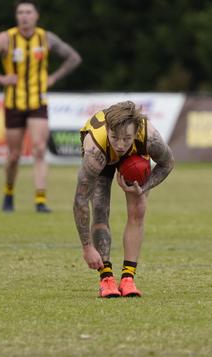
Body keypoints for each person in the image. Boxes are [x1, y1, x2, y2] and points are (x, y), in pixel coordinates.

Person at [0, 0, 81, 213]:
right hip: (14, 103)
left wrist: (54, 77)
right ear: (16, 16)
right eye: (20, 12)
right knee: (13, 155)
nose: (24, 16)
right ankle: (9, 193)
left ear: (36, 15)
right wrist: (0, 79)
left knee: (39, 148)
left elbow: (74, 58)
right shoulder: (6, 39)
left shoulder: (46, 38)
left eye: (28, 12)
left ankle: (40, 200)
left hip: (38, 102)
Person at [73, 101, 175, 298]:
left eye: (127, 139)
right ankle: (106, 279)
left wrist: (143, 188)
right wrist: (87, 247)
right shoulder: (95, 149)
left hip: (135, 157)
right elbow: (80, 200)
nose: (120, 145)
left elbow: (167, 163)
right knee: (100, 209)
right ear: (108, 130)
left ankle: (128, 279)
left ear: (136, 132)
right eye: (115, 138)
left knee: (138, 209)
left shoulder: (149, 137)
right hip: (103, 157)